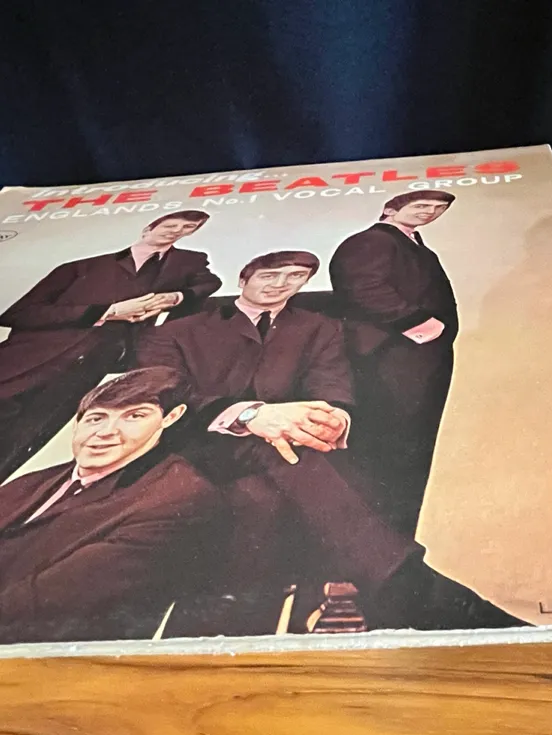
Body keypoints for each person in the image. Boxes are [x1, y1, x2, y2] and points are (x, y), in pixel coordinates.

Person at [138, 249, 523, 633]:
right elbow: (158, 396)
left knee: (268, 493)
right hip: (201, 449)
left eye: (294, 277)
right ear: (243, 280)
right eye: (269, 276)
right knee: (297, 470)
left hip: (288, 450)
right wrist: (251, 415)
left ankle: (395, 593)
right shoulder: (175, 332)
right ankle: (413, 590)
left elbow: (331, 386)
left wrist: (333, 420)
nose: (280, 284)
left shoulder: (320, 327)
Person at [0, 366, 221, 643]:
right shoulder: (29, 482)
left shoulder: (177, 495)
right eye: (96, 418)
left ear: (170, 417)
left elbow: (50, 600)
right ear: (76, 424)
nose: (105, 432)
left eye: (134, 416)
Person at [0, 210, 221, 444]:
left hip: (94, 364)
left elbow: (209, 283)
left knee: (28, 437)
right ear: (148, 229)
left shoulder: (189, 261)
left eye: (187, 228)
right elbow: (18, 314)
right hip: (31, 357)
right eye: (170, 225)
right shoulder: (80, 267)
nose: (177, 231)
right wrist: (109, 311)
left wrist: (174, 297)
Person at [329, 190, 458, 534]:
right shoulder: (372, 241)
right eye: (421, 206)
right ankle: (375, 541)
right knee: (388, 448)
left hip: (415, 357)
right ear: (390, 209)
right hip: (389, 355)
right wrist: (423, 326)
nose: (430, 212)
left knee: (410, 446)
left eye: (438, 209)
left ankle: (395, 539)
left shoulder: (413, 245)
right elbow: (362, 288)